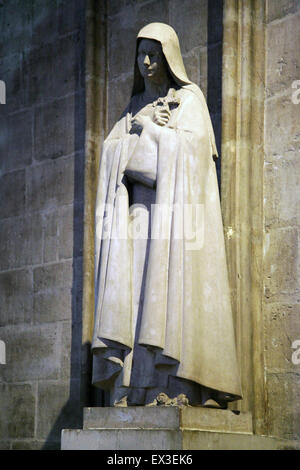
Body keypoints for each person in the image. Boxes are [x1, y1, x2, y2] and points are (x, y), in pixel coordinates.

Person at [91, 23, 242, 408]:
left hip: (177, 221)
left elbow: (195, 157)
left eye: (153, 55)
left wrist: (154, 134)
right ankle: (135, 388)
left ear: (169, 57)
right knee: (139, 298)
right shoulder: (133, 107)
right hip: (139, 217)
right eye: (140, 55)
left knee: (173, 296)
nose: (145, 63)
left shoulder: (189, 100)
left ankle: (177, 387)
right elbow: (110, 154)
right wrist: (137, 132)